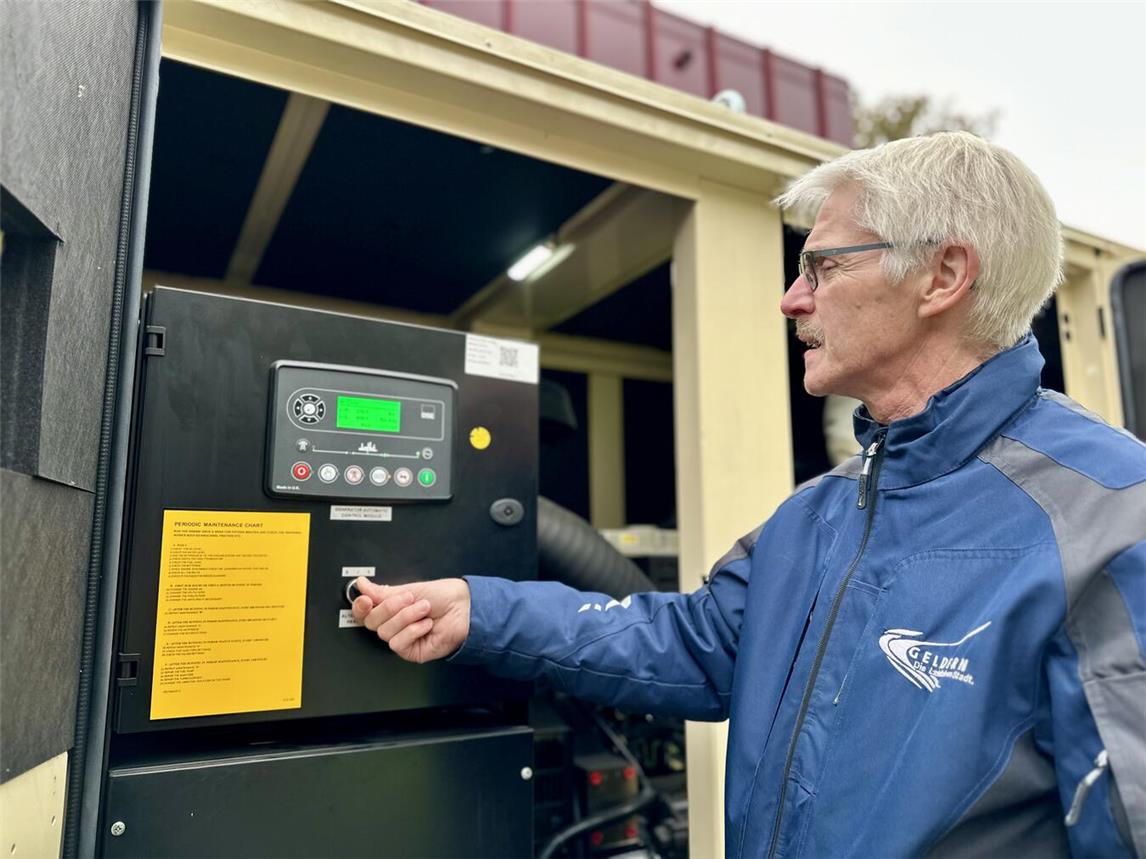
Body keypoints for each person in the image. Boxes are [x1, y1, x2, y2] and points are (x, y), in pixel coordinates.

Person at [352, 132, 1146, 858]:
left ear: (942, 274)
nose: (791, 298)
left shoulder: (1113, 516)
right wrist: (478, 609)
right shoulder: (819, 513)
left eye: (822, 266)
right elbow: (689, 642)